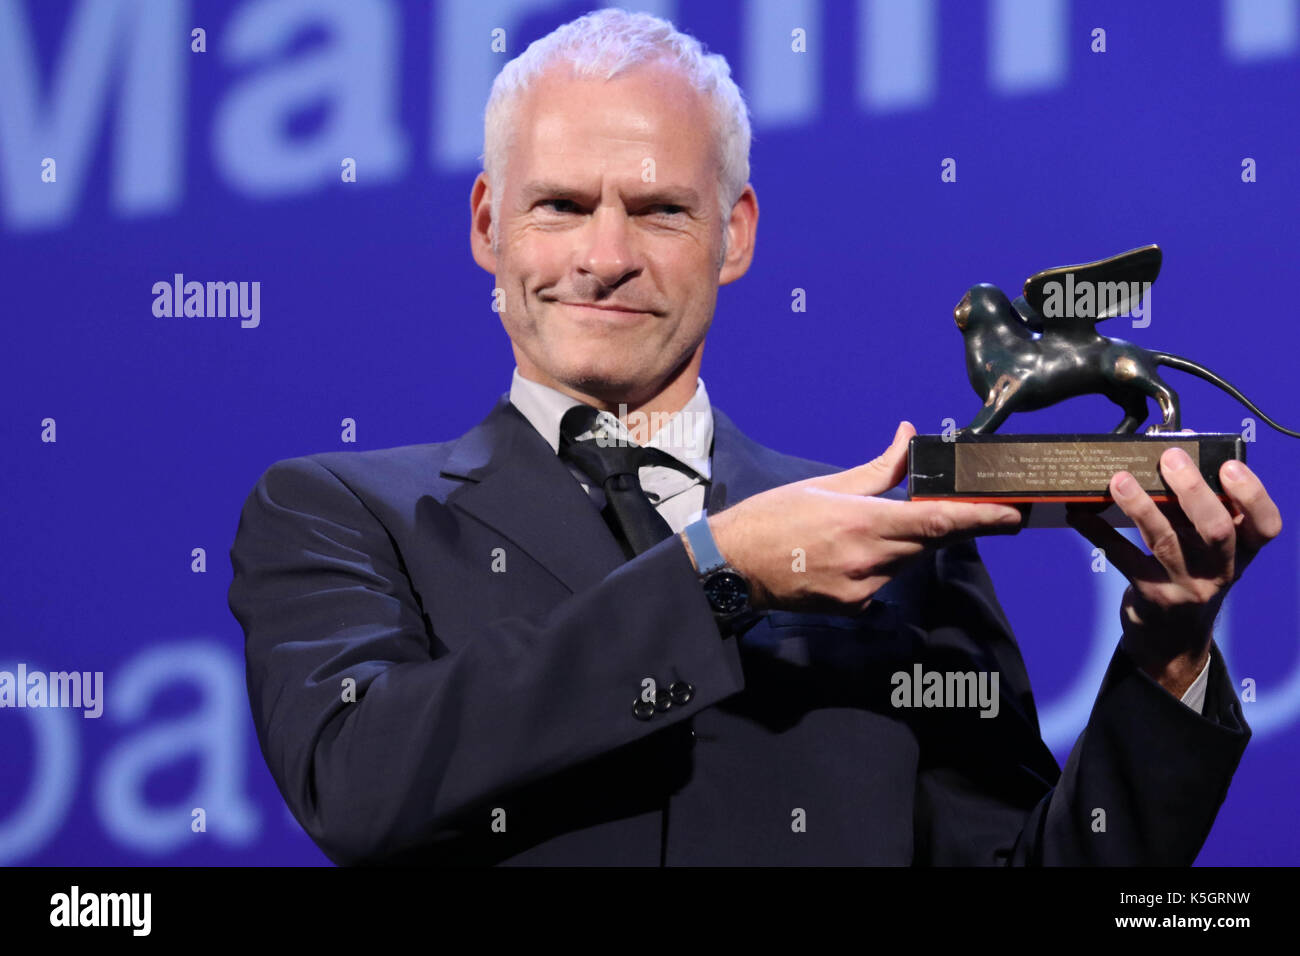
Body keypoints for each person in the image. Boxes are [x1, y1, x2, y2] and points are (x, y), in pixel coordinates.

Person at [227, 9, 1278, 866]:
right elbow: (359, 781)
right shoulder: (342, 512)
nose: (604, 255)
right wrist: (719, 575)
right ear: (486, 226)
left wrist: (1167, 655)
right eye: (558, 205)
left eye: (658, 210)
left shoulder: (900, 539)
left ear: (735, 235)